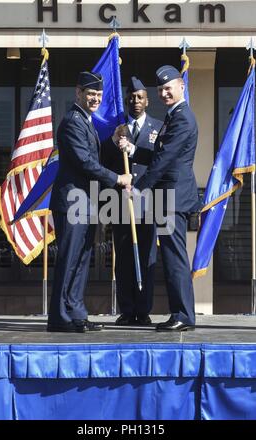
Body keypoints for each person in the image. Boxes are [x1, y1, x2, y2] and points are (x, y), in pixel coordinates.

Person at [47, 71, 132, 333]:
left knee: (82, 260)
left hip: (84, 203)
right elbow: (85, 161)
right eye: (90, 94)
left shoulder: (86, 121)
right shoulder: (73, 121)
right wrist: (118, 178)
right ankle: (60, 317)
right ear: (78, 93)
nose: (95, 99)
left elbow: (92, 153)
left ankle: (75, 313)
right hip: (72, 202)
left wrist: (113, 141)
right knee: (69, 259)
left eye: (98, 94)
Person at [130, 65, 199, 331]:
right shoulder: (173, 116)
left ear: (182, 87)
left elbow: (165, 159)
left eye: (168, 88)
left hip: (173, 198)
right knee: (171, 257)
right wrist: (134, 149)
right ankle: (180, 313)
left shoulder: (182, 117)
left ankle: (183, 315)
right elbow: (161, 155)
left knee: (174, 258)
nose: (164, 93)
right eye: (160, 89)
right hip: (167, 197)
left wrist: (139, 187)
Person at [102, 76, 162, 326]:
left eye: (140, 97)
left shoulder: (159, 127)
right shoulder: (117, 129)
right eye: (132, 96)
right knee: (124, 255)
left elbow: (160, 163)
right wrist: (114, 143)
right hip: (121, 202)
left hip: (148, 202)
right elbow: (103, 161)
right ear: (126, 99)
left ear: (147, 101)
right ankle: (127, 309)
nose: (135, 101)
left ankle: (143, 309)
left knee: (147, 256)